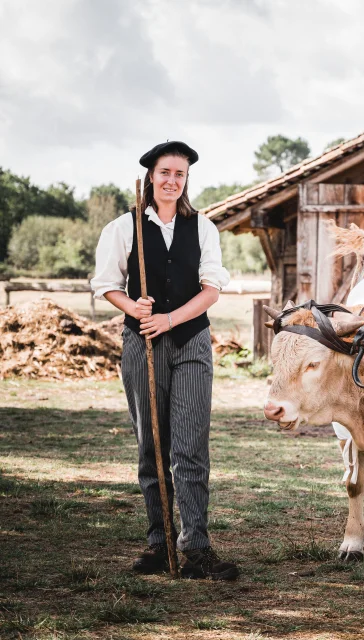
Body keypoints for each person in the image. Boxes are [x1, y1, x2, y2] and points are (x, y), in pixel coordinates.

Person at [91, 141, 238, 580]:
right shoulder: (123, 227)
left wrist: (170, 318)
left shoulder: (203, 227)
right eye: (165, 172)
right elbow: (107, 284)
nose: (172, 180)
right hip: (142, 346)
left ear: (186, 179)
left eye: (180, 173)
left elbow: (211, 288)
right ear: (150, 177)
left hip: (191, 342)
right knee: (152, 447)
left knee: (190, 447)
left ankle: (196, 547)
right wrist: (134, 308)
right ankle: (159, 543)